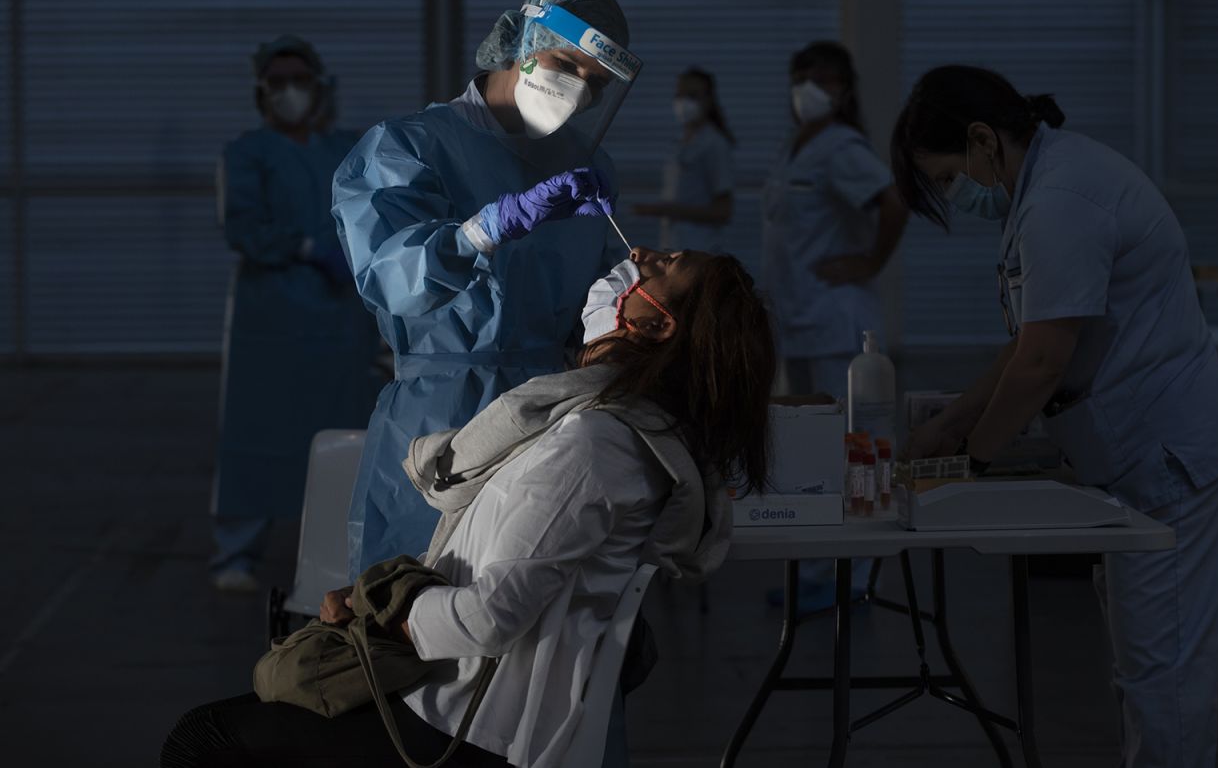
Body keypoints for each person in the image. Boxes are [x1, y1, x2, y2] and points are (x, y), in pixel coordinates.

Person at [162, 247, 776, 768]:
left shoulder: (596, 445)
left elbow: (490, 619)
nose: (639, 255)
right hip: (463, 702)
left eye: (664, 265)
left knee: (202, 742)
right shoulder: (610, 426)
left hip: (465, 730)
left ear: (655, 326)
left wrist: (384, 612)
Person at [892, 64, 1218, 768]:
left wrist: (968, 467)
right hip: (1137, 456)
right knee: (1146, 666)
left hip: (1174, 459)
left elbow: (1042, 363)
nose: (956, 196)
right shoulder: (1050, 183)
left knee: (1164, 676)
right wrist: (956, 422)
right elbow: (1031, 340)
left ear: (982, 140)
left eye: (948, 178)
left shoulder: (1062, 199)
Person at [334, 0, 638, 578]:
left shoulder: (584, 165)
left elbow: (597, 294)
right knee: (413, 612)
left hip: (549, 417)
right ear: (524, 38)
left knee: (524, 615)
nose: (577, 90)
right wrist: (483, 230)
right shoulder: (407, 147)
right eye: (564, 65)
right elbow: (390, 279)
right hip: (439, 417)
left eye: (596, 83)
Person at [210, 35, 380, 593]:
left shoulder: (348, 150)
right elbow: (243, 227)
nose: (289, 93)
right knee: (259, 426)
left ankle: (345, 550)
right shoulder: (246, 153)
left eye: (298, 81)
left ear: (321, 87)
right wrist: (306, 248)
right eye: (277, 82)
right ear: (262, 92)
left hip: (339, 315)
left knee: (344, 428)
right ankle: (237, 552)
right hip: (273, 315)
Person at [761, 41, 909, 609]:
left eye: (823, 80)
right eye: (802, 77)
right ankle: (824, 568)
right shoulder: (794, 147)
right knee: (810, 447)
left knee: (852, 448)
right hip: (798, 320)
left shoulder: (842, 146)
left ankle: (859, 574)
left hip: (837, 323)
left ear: (845, 90)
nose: (809, 90)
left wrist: (869, 262)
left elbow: (894, 202)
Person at [631, 67, 735, 253]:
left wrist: (665, 210)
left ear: (709, 100)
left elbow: (723, 211)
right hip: (674, 246)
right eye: (680, 95)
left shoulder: (715, 144)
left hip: (701, 250)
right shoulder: (680, 143)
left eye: (693, 95)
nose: (684, 102)